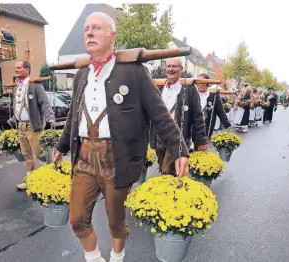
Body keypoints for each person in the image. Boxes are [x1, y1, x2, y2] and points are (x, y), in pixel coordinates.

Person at [51, 12, 190, 262]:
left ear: (112, 36)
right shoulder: (82, 74)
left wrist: (179, 150)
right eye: (86, 29)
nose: (89, 33)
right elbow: (74, 115)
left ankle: (117, 256)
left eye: (96, 28)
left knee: (116, 219)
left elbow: (160, 114)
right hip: (83, 156)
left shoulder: (133, 72)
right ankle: (93, 258)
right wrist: (62, 145)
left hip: (118, 158)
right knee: (77, 218)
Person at [151, 57, 207, 174]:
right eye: (168, 66)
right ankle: (172, 188)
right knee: (163, 168)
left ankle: (171, 190)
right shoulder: (158, 88)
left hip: (179, 138)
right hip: (159, 138)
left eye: (174, 66)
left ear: (181, 69)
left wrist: (201, 140)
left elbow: (197, 116)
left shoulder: (189, 90)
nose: (171, 69)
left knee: (169, 170)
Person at [8, 60, 55, 190]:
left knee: (40, 153)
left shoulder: (35, 86)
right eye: (15, 68)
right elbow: (17, 106)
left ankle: (53, 175)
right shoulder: (16, 87)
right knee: (26, 155)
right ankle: (30, 180)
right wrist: (13, 119)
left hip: (33, 126)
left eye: (19, 68)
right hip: (21, 126)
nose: (16, 70)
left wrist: (50, 117)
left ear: (27, 70)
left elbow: (45, 103)